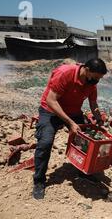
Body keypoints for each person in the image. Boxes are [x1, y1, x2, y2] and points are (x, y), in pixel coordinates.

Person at [32, 58, 107, 200]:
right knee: (45, 142)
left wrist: (98, 118)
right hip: (51, 111)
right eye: (96, 77)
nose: (97, 81)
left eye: (100, 78)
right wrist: (70, 123)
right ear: (86, 69)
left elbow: (93, 102)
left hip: (73, 111)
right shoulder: (65, 73)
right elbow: (51, 100)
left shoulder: (91, 83)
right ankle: (39, 181)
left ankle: (84, 172)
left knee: (85, 141)